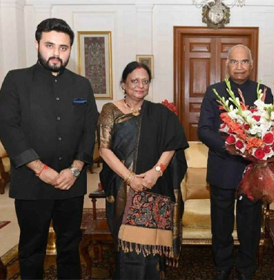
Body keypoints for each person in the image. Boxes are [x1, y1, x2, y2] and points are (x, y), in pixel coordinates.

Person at [0, 18, 98, 279]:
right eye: (50, 45)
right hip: (32, 183)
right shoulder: (15, 80)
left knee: (70, 246)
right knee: (32, 249)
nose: (56, 53)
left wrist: (76, 169)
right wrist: (39, 168)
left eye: (63, 48)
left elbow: (90, 130)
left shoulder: (82, 85)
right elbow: (8, 127)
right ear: (37, 44)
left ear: (70, 50)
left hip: (70, 183)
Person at [97, 61, 188, 280]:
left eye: (145, 81)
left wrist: (157, 171)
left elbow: (172, 144)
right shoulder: (110, 110)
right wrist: (130, 179)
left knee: (152, 248)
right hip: (122, 190)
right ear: (123, 84)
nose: (140, 85)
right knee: (128, 247)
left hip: (153, 188)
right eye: (134, 81)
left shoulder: (159, 114)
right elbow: (104, 150)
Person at [197, 44, 273, 280]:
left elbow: (272, 128)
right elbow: (204, 129)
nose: (239, 67)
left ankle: (246, 269)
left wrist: (258, 148)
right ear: (227, 64)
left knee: (249, 224)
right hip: (223, 167)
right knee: (221, 224)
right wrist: (231, 147)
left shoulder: (264, 92)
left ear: (251, 65)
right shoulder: (214, 91)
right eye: (234, 62)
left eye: (244, 62)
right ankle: (222, 266)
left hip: (253, 170)